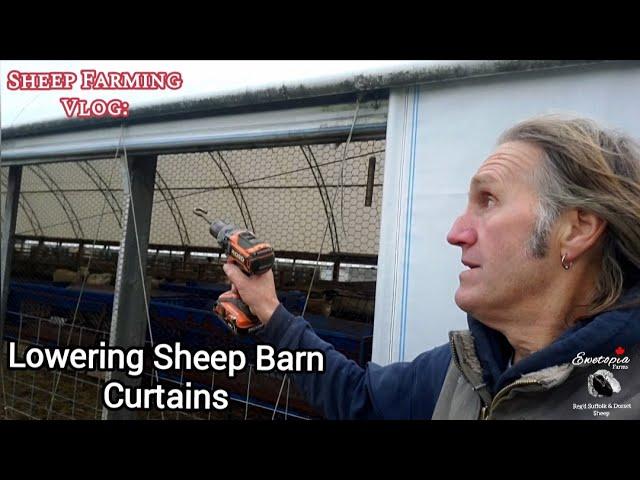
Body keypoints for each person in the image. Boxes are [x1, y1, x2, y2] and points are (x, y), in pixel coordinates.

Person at [222, 115, 640, 420]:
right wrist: (270, 312)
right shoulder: (463, 369)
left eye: (488, 201)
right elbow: (358, 397)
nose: (456, 232)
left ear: (577, 229)